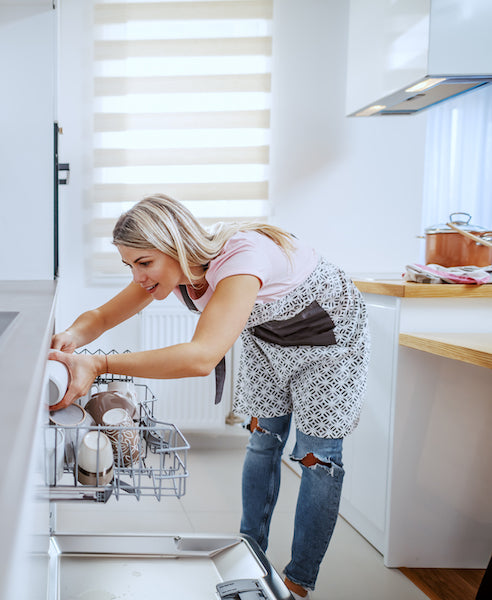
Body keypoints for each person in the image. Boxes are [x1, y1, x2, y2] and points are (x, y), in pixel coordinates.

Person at [49, 194, 370, 599]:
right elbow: (102, 316)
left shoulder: (241, 259)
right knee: (263, 441)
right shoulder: (173, 272)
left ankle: (298, 583)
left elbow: (202, 357)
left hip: (329, 341)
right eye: (130, 265)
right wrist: (69, 342)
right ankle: (251, 554)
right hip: (269, 337)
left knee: (317, 458)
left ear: (175, 245)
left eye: (144, 262)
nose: (137, 276)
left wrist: (96, 365)